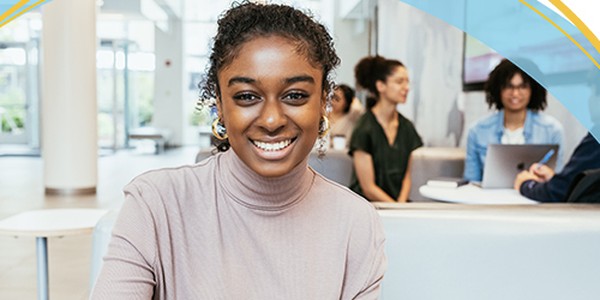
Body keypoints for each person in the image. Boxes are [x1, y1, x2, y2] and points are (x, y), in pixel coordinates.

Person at [91, 3, 386, 299]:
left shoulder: (355, 222)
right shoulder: (156, 204)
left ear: (323, 102)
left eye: (295, 95)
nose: (272, 119)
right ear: (219, 105)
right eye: (246, 96)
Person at [464, 58, 565, 182]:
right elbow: (471, 181)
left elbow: (557, 184)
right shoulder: (477, 131)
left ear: (533, 89)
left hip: (535, 199)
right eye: (508, 86)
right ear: (498, 89)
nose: (515, 93)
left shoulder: (552, 130)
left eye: (523, 86)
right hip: (490, 200)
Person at [349, 56, 423, 203]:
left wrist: (401, 206)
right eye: (399, 81)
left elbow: (406, 177)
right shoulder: (364, 128)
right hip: (368, 207)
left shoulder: (407, 127)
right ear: (381, 86)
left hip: (399, 206)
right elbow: (368, 187)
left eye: (407, 82)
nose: (406, 87)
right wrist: (396, 209)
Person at [328, 84, 362, 148]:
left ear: (346, 102)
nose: (333, 101)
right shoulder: (323, 115)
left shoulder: (352, 116)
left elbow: (360, 110)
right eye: (332, 97)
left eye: (337, 99)